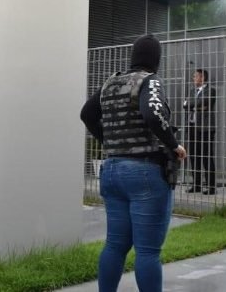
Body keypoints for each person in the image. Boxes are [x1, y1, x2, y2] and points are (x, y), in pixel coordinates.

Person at [80, 34, 186, 292]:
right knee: (148, 251)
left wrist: (109, 140)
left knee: (115, 245)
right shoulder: (150, 80)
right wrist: (174, 145)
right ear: (156, 59)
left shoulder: (111, 82)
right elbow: (153, 113)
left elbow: (87, 113)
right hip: (145, 172)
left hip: (112, 170)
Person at [182, 68, 217, 195]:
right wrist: (196, 106)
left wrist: (192, 105)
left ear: (202, 78)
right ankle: (196, 185)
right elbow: (185, 105)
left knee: (207, 156)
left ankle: (211, 187)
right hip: (192, 127)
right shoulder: (192, 91)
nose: (193, 78)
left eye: (195, 76)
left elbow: (206, 104)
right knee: (194, 156)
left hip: (205, 128)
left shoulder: (211, 90)